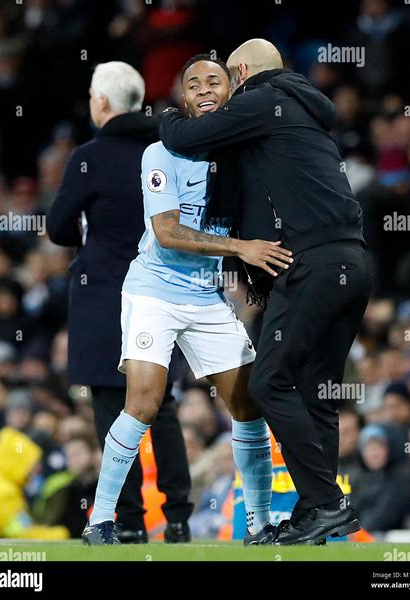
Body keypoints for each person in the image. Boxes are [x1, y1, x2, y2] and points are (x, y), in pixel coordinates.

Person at [159, 39, 373, 545]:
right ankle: (316, 511)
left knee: (270, 381)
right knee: (317, 392)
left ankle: (325, 503)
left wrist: (165, 114)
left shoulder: (261, 98)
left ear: (241, 72)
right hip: (353, 261)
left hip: (313, 264)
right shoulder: (299, 106)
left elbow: (189, 138)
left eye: (224, 81)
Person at [83, 54, 293, 546]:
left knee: (248, 405)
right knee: (145, 403)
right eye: (192, 81)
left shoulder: (242, 153)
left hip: (207, 295)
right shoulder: (159, 153)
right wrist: (241, 248)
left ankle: (259, 523)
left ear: (230, 91)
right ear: (184, 98)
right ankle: (101, 520)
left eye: (212, 80)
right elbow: (167, 231)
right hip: (153, 290)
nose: (201, 87)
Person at [47, 61, 193, 544]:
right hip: (163, 289)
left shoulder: (90, 156)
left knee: (114, 404)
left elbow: (58, 226)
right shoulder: (167, 150)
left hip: (105, 292)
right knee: (161, 404)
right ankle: (177, 518)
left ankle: (128, 520)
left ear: (103, 103)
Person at [0, 427, 69, 539]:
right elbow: (22, 532)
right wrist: (62, 533)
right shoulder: (6, 493)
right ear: (19, 463)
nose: (36, 470)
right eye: (33, 464)